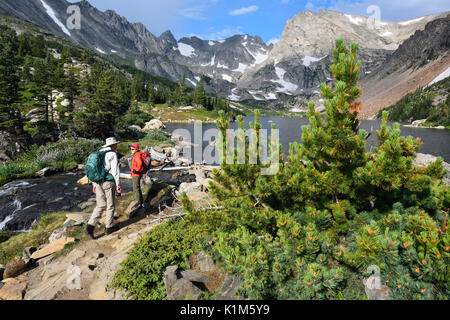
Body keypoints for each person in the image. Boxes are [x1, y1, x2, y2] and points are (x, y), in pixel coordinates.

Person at [85, 137, 122, 239]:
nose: (117, 146)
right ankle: (109, 227)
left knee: (100, 205)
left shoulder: (98, 153)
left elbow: (94, 169)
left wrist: (94, 184)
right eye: (116, 144)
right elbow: (115, 171)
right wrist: (118, 184)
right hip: (108, 182)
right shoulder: (112, 154)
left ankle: (90, 227)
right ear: (113, 145)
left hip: (97, 182)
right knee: (110, 205)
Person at [129, 143, 145, 213]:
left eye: (132, 149)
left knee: (136, 188)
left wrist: (136, 170)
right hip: (136, 174)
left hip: (136, 174)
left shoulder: (137, 155)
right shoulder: (136, 154)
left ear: (136, 149)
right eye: (130, 149)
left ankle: (138, 203)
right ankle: (140, 202)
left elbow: (140, 163)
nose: (131, 150)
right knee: (137, 188)